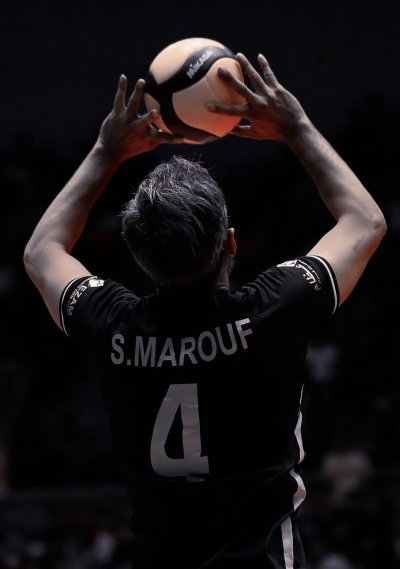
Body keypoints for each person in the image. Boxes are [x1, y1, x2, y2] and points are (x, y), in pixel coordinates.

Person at [23, 52, 386, 569]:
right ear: (230, 243)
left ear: (138, 255)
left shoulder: (111, 326)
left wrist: (106, 151)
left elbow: (41, 251)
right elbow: (365, 221)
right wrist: (296, 127)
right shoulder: (272, 310)